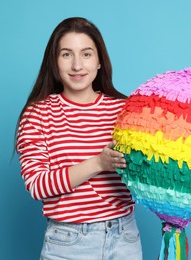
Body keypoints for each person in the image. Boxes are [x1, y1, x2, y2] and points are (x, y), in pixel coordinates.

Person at [16, 17, 142, 260]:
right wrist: (98, 163)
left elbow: (148, 170)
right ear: (54, 62)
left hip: (125, 237)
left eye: (86, 54)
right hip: (69, 243)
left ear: (99, 62)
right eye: (66, 54)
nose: (77, 65)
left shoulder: (124, 111)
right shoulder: (38, 114)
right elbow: (37, 185)